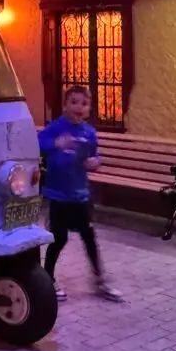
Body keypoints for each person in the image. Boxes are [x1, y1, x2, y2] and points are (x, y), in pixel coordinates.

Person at [38, 85, 121, 302]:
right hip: (58, 195)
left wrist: (95, 163)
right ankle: (48, 279)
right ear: (65, 105)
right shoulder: (56, 127)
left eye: (84, 104)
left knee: (89, 237)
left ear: (89, 109)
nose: (78, 107)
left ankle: (100, 280)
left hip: (80, 195)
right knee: (59, 239)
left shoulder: (89, 133)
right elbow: (39, 143)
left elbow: (95, 156)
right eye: (73, 102)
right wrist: (55, 143)